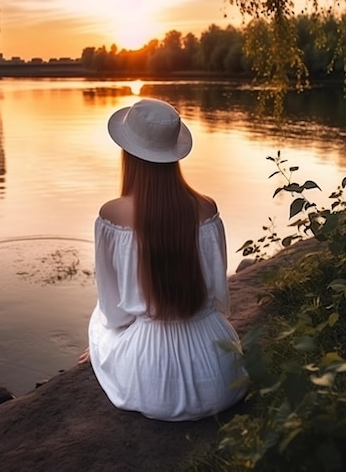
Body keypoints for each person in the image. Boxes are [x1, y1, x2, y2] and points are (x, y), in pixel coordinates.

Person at [78, 98, 248, 421]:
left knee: (99, 318)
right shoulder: (207, 210)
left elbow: (115, 314)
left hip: (153, 381)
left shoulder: (111, 215)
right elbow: (217, 295)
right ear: (173, 155)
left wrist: (106, 348)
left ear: (128, 154)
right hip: (221, 374)